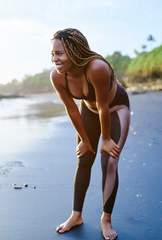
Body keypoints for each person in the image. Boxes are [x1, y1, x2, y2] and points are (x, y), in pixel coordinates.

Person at [50, 28, 130, 240]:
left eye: (59, 53)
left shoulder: (97, 68)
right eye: (52, 54)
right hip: (89, 110)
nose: (54, 59)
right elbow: (72, 109)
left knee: (109, 161)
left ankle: (106, 219)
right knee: (84, 158)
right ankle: (76, 216)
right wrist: (85, 140)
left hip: (115, 109)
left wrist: (105, 139)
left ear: (75, 51)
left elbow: (104, 106)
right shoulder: (57, 77)